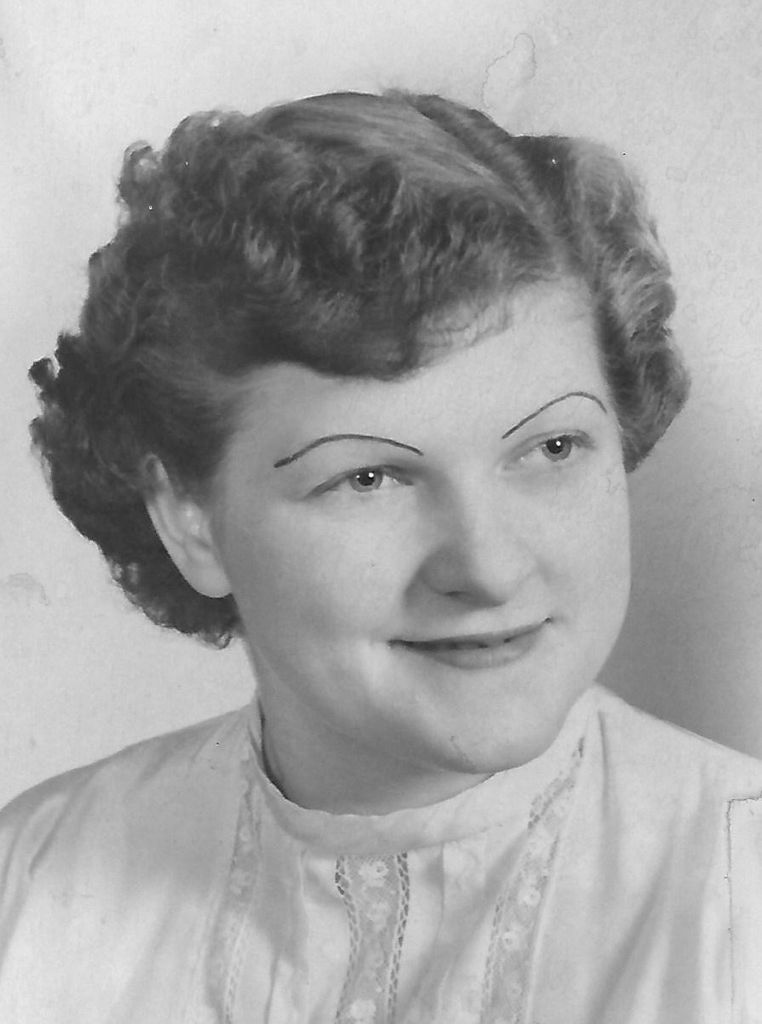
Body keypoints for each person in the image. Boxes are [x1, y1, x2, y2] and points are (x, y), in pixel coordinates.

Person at [0, 90, 760, 1024]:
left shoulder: (742, 890)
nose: (487, 568)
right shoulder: (31, 887)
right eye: (368, 478)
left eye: (553, 448)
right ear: (190, 520)